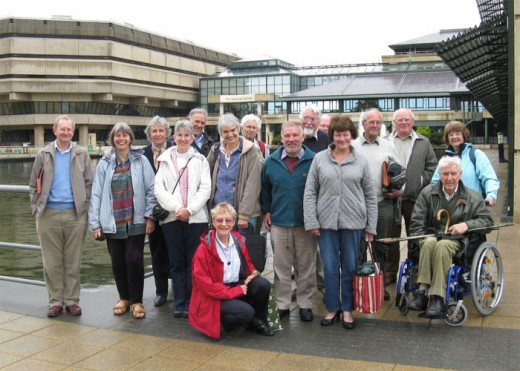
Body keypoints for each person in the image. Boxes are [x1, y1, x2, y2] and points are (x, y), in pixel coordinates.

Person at [304, 114, 377, 329]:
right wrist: (312, 222)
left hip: (354, 223)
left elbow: (370, 195)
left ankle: (347, 309)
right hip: (325, 223)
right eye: (338, 134)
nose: (342, 139)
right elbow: (310, 192)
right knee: (329, 267)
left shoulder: (361, 160)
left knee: (350, 267)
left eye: (345, 134)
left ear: (351, 135)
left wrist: (370, 227)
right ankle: (332, 307)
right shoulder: (320, 159)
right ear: (332, 136)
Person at [407, 156, 493, 318]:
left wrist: (466, 225)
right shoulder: (427, 194)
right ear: (440, 174)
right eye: (445, 174)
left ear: (460, 174)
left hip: (460, 241)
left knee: (443, 245)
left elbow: (487, 221)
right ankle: (422, 292)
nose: (449, 178)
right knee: (429, 242)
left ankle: (438, 297)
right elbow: (416, 223)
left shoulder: (473, 197)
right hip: (433, 236)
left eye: (453, 173)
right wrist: (421, 237)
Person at [89, 122, 156, 319]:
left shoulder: (141, 160)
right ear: (113, 139)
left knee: (134, 259)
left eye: (124, 135)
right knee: (117, 261)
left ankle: (137, 301)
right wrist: (95, 223)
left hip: (135, 220)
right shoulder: (104, 163)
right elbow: (96, 194)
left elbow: (151, 189)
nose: (121, 139)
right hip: (112, 221)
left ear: (130, 138)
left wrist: (150, 216)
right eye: (117, 136)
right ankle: (123, 298)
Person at [29, 115, 93, 318]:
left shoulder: (82, 154)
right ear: (54, 131)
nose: (66, 132)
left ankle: (72, 301)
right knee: (51, 262)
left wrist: (85, 206)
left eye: (69, 129)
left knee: (73, 261)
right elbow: (33, 184)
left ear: (73, 132)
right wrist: (36, 208)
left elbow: (89, 183)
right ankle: (55, 301)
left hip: (76, 215)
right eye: (62, 129)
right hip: (48, 215)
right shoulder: (43, 154)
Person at [189, 203, 274, 339]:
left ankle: (257, 320)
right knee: (246, 312)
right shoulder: (203, 249)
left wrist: (253, 273)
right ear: (213, 222)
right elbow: (206, 286)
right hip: (214, 294)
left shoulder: (238, 240)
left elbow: (248, 264)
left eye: (228, 220)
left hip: (235, 284)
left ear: (234, 222)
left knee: (263, 285)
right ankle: (228, 321)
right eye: (219, 220)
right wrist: (236, 291)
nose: (224, 224)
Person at [155, 120, 211, 318]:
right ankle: (179, 303)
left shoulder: (200, 160)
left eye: (187, 135)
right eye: (179, 135)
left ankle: (192, 301)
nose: (183, 139)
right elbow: (159, 188)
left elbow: (205, 188)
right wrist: (177, 208)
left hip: (196, 220)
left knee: (193, 262)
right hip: (172, 218)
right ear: (174, 137)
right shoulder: (165, 159)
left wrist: (190, 209)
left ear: (192, 137)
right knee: (176, 262)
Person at [261, 121, 316, 322]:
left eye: (295, 135)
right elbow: (264, 189)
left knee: (306, 267)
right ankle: (282, 304)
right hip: (279, 222)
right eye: (287, 136)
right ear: (281, 137)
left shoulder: (315, 161)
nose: (291, 139)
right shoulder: (271, 162)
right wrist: (266, 211)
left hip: (306, 225)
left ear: (302, 137)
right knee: (281, 267)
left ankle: (305, 304)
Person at [352, 109, 402, 301]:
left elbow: (399, 171)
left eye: (378, 123)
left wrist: (400, 189)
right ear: (363, 124)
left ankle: (379, 285)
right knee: (358, 247)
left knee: (381, 246)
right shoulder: (353, 145)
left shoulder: (388, 146)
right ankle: (360, 285)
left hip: (382, 203)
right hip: (357, 204)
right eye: (370, 122)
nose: (374, 126)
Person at [386, 108, 437, 284]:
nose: (403, 122)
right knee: (391, 236)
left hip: (414, 198)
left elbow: (432, 167)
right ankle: (390, 272)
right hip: (390, 198)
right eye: (399, 120)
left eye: (407, 119)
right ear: (394, 123)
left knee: (415, 235)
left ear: (413, 122)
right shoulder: (385, 142)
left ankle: (414, 270)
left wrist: (418, 184)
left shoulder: (423, 142)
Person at [207, 113, 261, 234]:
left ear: (238, 129)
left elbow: (253, 184)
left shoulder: (250, 150)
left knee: (241, 251)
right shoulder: (215, 150)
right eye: (225, 132)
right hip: (219, 213)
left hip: (242, 215)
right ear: (221, 133)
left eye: (233, 130)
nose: (230, 134)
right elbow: (206, 177)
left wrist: (244, 214)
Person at [431, 121, 499, 206]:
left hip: (473, 205)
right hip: (450, 206)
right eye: (451, 134)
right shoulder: (445, 159)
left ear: (464, 135)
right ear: (447, 138)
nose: (454, 137)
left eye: (457, 133)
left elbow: (489, 177)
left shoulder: (476, 155)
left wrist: (491, 196)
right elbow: (435, 181)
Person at [143, 116, 173, 307]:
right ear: (149, 134)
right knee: (157, 252)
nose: (158, 134)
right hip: (152, 213)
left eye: (161, 130)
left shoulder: (175, 151)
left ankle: (179, 289)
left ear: (167, 133)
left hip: (173, 210)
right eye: (154, 131)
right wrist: (149, 216)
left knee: (177, 251)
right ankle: (161, 291)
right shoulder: (142, 155)